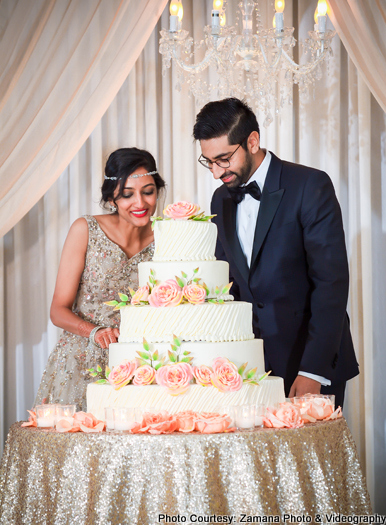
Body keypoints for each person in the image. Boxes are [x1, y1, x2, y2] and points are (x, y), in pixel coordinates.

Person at [193, 98, 359, 408]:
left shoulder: (310, 185)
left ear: (252, 141)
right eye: (208, 162)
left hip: (308, 361)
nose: (216, 173)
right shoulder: (220, 200)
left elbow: (331, 283)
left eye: (223, 159)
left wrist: (313, 370)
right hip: (248, 368)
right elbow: (228, 282)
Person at [34, 147, 165, 411]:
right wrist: (95, 333)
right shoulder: (86, 229)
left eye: (148, 192)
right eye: (127, 195)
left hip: (139, 365)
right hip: (81, 361)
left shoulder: (168, 237)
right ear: (112, 198)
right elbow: (58, 311)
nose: (140, 203)